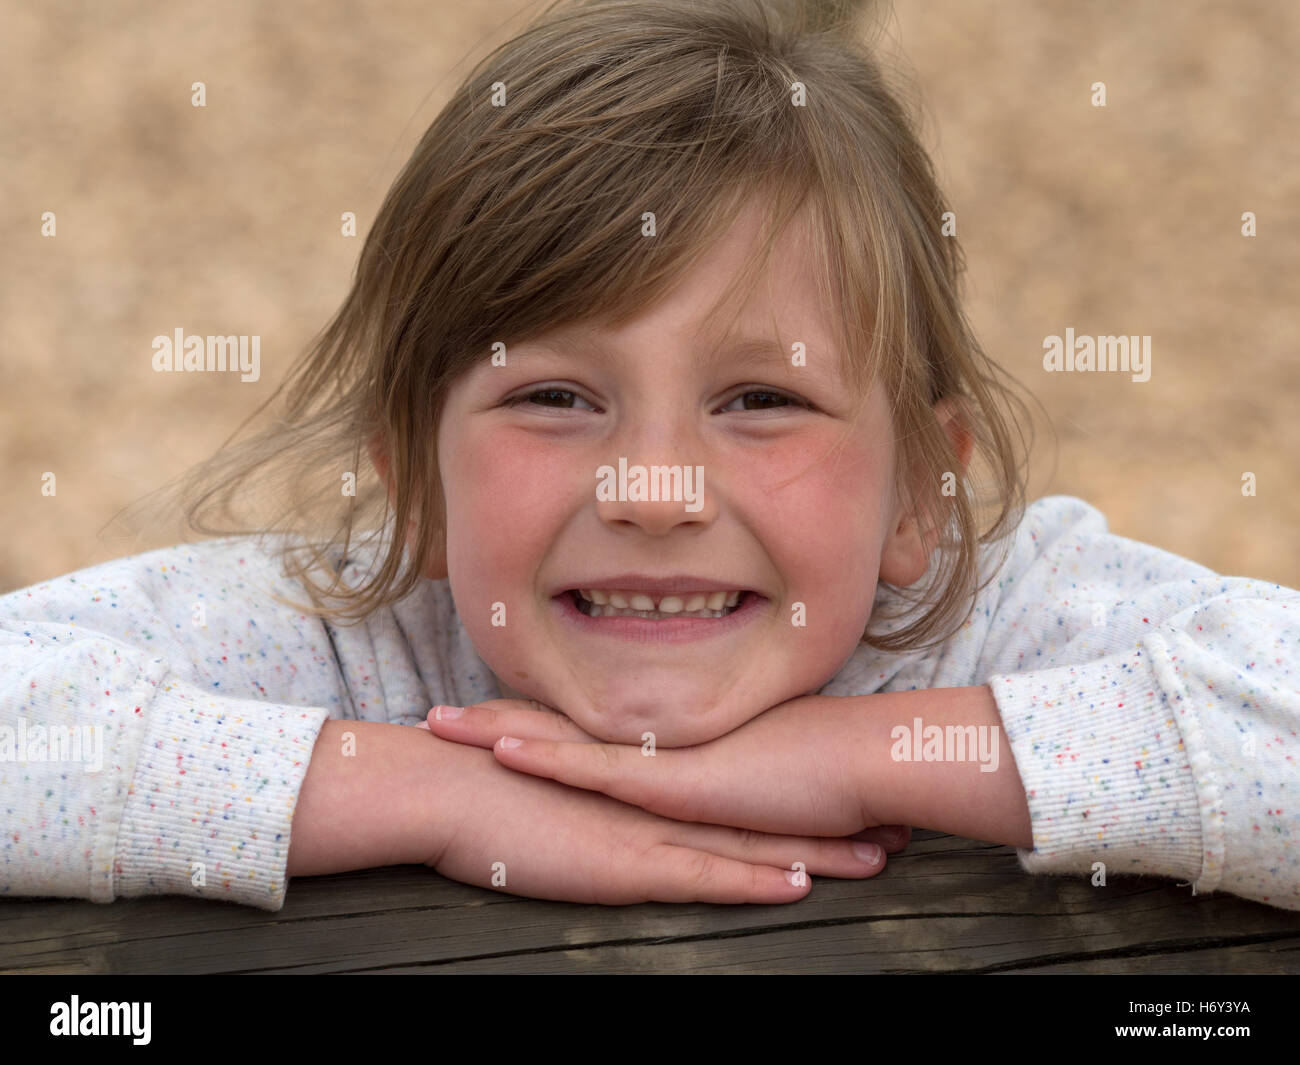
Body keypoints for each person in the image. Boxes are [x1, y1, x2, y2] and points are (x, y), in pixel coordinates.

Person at [2, 0, 1295, 913]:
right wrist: (436, 796)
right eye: (558, 395)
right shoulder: (359, 644)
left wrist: (857, 756)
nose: (654, 490)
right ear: (418, 480)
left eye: (760, 399)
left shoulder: (971, 624)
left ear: (921, 492)